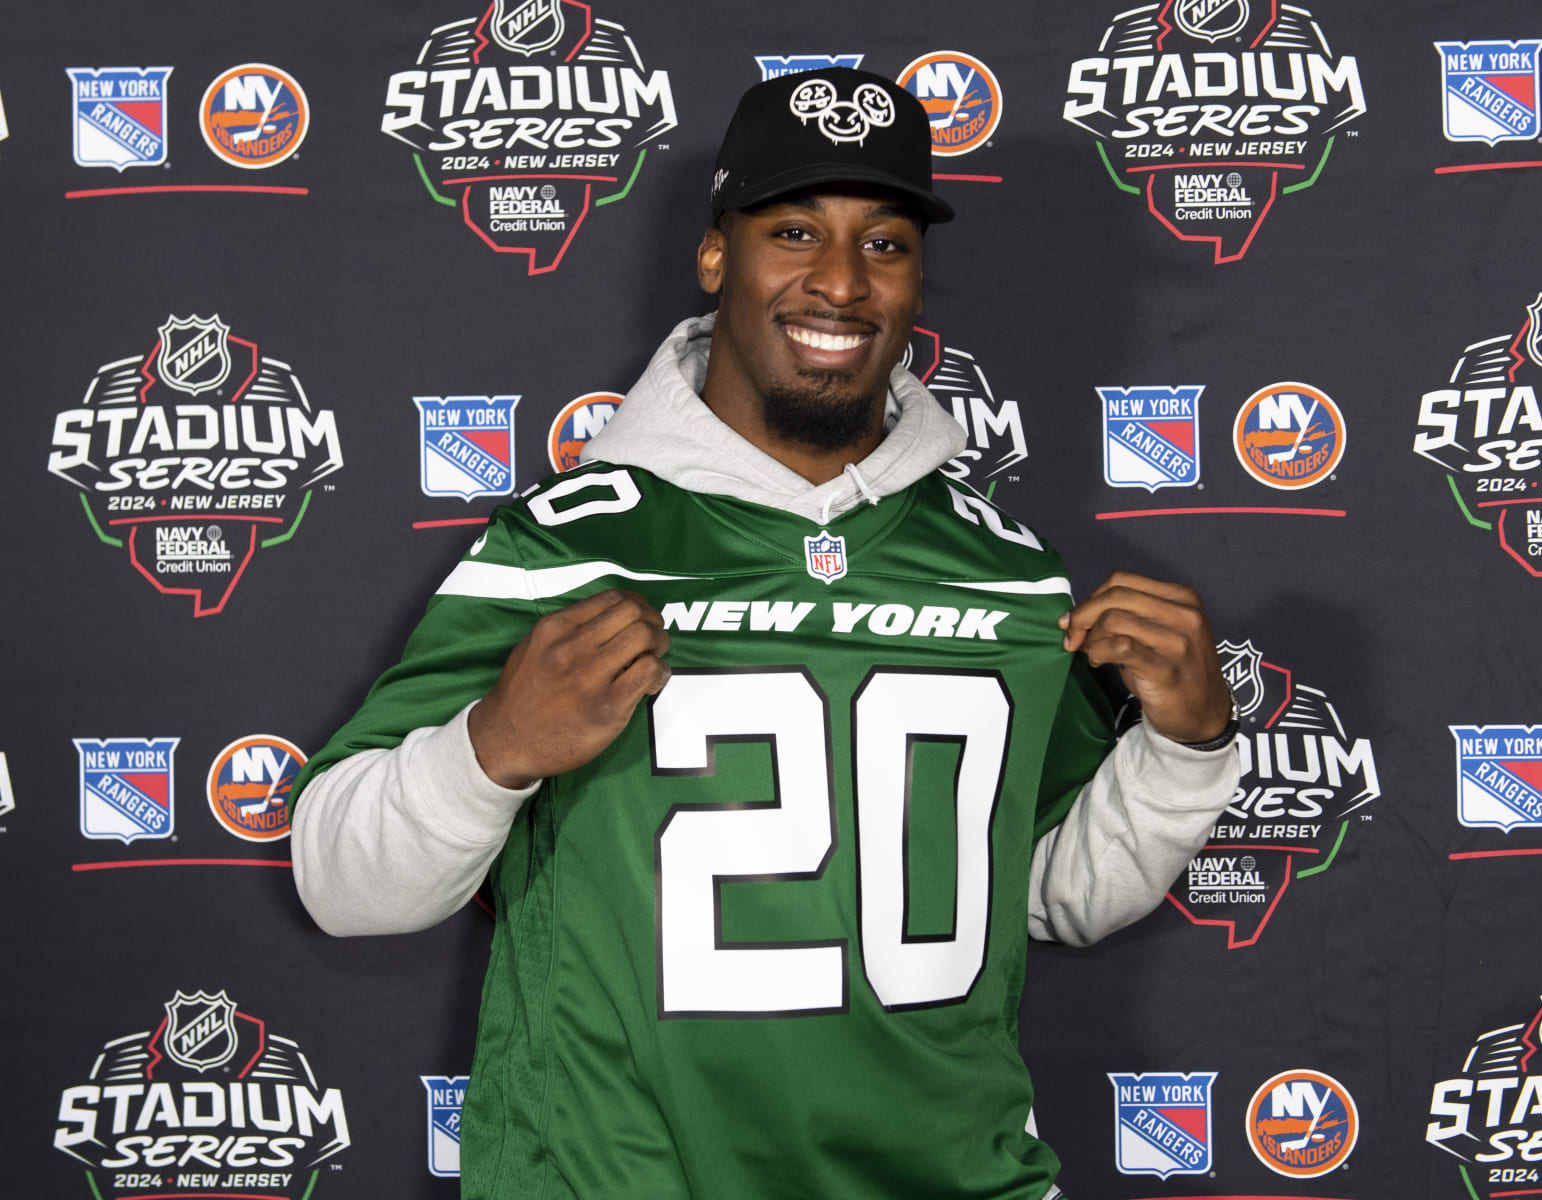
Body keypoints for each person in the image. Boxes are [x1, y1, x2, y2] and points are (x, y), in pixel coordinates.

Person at [290, 67, 1237, 1200]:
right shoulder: (565, 547)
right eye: (795, 231)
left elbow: (1044, 895)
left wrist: (1186, 753)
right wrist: (494, 746)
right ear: (714, 257)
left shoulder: (1009, 571)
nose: (840, 281)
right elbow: (340, 880)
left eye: (884, 242)